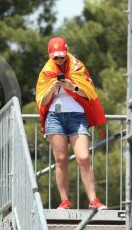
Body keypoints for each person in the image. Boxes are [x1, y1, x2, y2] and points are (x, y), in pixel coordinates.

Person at [35, 36, 107, 210]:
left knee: (83, 157)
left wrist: (71, 86)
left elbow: (88, 93)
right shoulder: (46, 72)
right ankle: (65, 201)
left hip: (77, 116)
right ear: (49, 55)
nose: (59, 60)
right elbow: (42, 102)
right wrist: (53, 87)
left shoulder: (78, 66)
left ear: (66, 51)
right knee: (61, 160)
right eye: (55, 57)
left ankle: (94, 201)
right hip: (55, 117)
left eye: (61, 55)